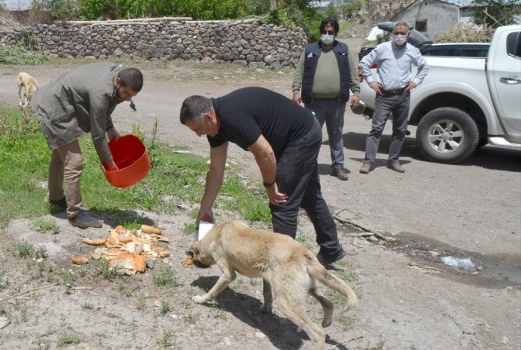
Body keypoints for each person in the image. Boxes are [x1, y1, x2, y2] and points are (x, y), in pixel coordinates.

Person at [179, 87, 346, 266]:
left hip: (301, 135)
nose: (199, 134)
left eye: (198, 129)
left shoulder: (232, 115)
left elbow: (265, 153)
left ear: (208, 117)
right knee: (309, 195)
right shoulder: (215, 128)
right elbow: (216, 169)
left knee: (282, 202)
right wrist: (205, 209)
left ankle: (283, 265)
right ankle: (331, 249)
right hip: (293, 135)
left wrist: (270, 185)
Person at [31, 63, 143, 229]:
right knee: (74, 161)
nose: (127, 99)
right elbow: (98, 135)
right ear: (118, 81)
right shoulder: (101, 91)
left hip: (64, 103)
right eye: (126, 94)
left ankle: (55, 197)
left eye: (131, 96)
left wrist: (110, 128)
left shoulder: (115, 78)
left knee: (61, 155)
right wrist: (110, 162)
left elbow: (103, 108)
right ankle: (75, 213)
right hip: (55, 108)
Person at [292, 18, 360, 181]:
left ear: (335, 33)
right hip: (313, 102)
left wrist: (356, 92)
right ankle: (308, 167)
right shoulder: (310, 49)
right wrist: (296, 90)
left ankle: (338, 166)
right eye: (324, 31)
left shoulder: (343, 49)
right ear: (321, 32)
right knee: (311, 135)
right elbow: (299, 72)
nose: (327, 34)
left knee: (336, 134)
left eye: (331, 32)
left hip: (337, 102)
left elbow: (352, 73)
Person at [359, 21, 428, 174]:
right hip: (384, 95)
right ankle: (368, 161)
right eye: (396, 32)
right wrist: (371, 81)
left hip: (403, 95)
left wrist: (416, 81)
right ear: (392, 33)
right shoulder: (382, 48)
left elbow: (424, 67)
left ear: (408, 35)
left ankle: (394, 160)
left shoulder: (412, 51)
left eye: (402, 33)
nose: (399, 35)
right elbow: (365, 62)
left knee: (400, 129)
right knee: (376, 129)